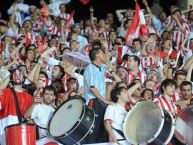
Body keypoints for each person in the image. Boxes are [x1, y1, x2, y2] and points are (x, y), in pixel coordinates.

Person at [83, 47, 113, 143]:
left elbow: (108, 65)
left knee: (102, 130)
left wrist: (106, 49)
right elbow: (92, 88)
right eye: (102, 53)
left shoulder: (102, 67)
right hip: (94, 101)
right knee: (94, 130)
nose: (105, 55)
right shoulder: (90, 68)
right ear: (97, 56)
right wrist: (105, 101)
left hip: (101, 101)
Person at [0, 67, 33, 145]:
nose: (18, 76)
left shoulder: (29, 98)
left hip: (22, 134)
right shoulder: (5, 92)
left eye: (20, 74)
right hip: (5, 133)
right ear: (11, 78)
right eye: (15, 74)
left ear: (23, 78)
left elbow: (30, 119)